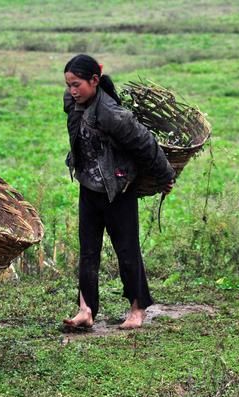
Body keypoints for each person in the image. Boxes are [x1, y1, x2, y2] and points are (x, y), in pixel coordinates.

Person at [62, 54, 175, 330]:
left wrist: (165, 176)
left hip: (118, 188)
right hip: (89, 186)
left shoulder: (113, 114)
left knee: (127, 249)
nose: (72, 91)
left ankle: (137, 309)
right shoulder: (72, 104)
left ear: (95, 81)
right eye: (68, 85)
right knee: (88, 251)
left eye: (77, 85)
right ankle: (86, 310)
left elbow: (145, 144)